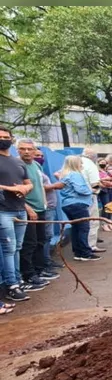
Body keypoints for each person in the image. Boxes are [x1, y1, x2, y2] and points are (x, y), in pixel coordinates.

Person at [17, 139, 57, 291]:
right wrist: (28, 209)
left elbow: (40, 186)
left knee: (41, 240)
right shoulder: (17, 165)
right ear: (18, 150)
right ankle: (28, 275)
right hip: (28, 211)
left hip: (41, 209)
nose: (27, 151)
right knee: (29, 244)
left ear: (34, 150)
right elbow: (17, 192)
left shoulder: (36, 165)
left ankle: (40, 270)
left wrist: (44, 204)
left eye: (30, 149)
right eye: (23, 149)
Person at [0, 126, 32, 303]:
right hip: (3, 210)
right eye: (0, 137)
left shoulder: (17, 161)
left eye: (6, 136)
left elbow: (29, 183)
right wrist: (12, 188)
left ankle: (17, 279)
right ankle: (11, 284)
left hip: (20, 209)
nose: (3, 139)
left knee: (17, 247)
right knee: (8, 248)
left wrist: (25, 188)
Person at [56, 156, 100, 262]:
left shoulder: (65, 175)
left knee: (76, 228)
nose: (82, 165)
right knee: (83, 228)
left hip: (68, 204)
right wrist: (91, 190)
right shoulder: (75, 174)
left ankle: (78, 252)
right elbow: (81, 189)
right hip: (78, 204)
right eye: (80, 163)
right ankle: (85, 253)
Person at [36, 151, 63, 274]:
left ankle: (46, 260)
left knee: (47, 236)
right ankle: (44, 263)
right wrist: (55, 185)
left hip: (50, 207)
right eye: (37, 155)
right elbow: (41, 187)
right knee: (45, 236)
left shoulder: (39, 169)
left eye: (41, 156)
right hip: (45, 208)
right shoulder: (33, 171)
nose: (40, 158)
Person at [81, 148, 103, 252]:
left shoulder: (76, 162)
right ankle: (91, 246)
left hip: (77, 199)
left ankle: (82, 247)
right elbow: (95, 183)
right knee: (93, 221)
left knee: (80, 224)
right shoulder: (90, 164)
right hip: (90, 196)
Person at [97, 158, 112, 231]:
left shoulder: (106, 171)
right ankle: (104, 224)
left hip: (110, 189)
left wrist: (107, 178)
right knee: (106, 207)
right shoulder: (97, 171)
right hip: (103, 190)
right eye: (101, 162)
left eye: (104, 162)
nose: (103, 164)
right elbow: (99, 180)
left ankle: (109, 223)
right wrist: (106, 179)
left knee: (110, 207)